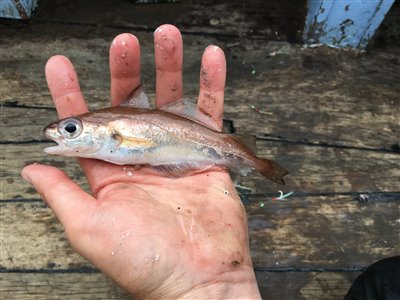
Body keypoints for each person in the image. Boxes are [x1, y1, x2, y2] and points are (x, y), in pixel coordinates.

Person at [21, 24, 262, 299]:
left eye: (71, 130)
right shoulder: (109, 137)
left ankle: (254, 160)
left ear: (109, 132)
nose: (64, 135)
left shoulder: (118, 129)